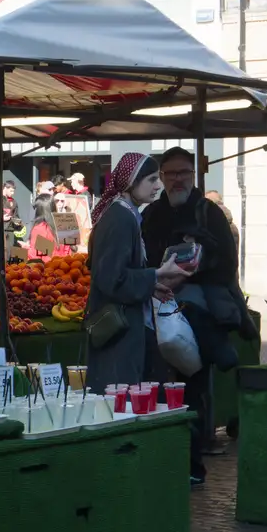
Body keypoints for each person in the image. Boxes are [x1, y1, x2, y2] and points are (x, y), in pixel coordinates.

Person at [141, 148, 245, 483]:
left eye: (183, 172)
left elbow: (228, 262)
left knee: (191, 387)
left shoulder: (208, 212)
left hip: (197, 311)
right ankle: (165, 459)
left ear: (194, 175)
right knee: (159, 387)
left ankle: (192, 465)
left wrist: (191, 270)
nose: (177, 179)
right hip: (157, 306)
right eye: (169, 174)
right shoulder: (152, 213)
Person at [84, 151, 193, 395]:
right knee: (119, 401)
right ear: (131, 181)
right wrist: (156, 274)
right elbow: (111, 278)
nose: (158, 186)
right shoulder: (120, 218)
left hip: (125, 327)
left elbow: (115, 272)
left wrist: (151, 286)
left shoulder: (124, 213)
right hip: (119, 334)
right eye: (152, 179)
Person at [25, 193, 70, 261]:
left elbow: (36, 258)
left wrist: (26, 248)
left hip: (47, 269)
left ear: (38, 210)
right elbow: (66, 250)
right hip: (64, 267)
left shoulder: (40, 228)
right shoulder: (63, 223)